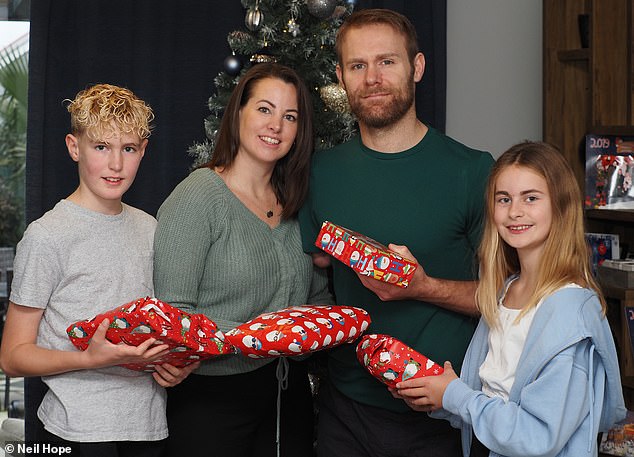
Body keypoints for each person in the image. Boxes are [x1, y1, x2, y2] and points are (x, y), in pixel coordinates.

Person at [298, 8, 495, 457]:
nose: (372, 78)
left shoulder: (472, 171)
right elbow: (310, 278)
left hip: (441, 413)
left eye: (387, 61)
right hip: (344, 410)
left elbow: (506, 298)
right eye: (357, 65)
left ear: (417, 67)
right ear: (340, 76)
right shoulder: (320, 173)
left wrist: (423, 287)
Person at [393, 141, 627, 457]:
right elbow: (489, 398)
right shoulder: (506, 291)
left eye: (530, 198)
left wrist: (456, 396)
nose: (515, 211)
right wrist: (438, 396)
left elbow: (536, 436)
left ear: (561, 206)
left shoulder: (570, 313)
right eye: (504, 199)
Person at [0, 83, 195, 456]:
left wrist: (176, 364)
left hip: (147, 426)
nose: (116, 164)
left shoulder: (150, 228)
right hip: (77, 431)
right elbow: (12, 356)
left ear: (144, 151)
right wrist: (89, 359)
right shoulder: (47, 236)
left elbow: (160, 323)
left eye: (129, 149)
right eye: (101, 147)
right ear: (75, 147)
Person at [153, 62, 332, 457]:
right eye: (264, 109)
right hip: (212, 401)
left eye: (290, 117)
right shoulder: (198, 196)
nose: (276, 126)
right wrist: (260, 336)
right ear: (238, 114)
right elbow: (173, 315)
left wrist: (311, 333)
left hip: (287, 396)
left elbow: (317, 302)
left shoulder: (297, 206)